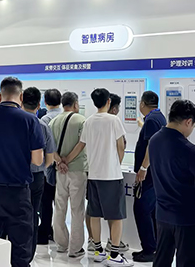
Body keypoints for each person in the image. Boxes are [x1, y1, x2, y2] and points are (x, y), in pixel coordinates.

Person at [0, 77, 45, 267]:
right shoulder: (30, 120)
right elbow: (38, 160)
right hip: (17, 193)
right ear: (21, 96)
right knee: (20, 249)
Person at [64, 88, 132, 266]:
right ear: (108, 101)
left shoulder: (89, 121)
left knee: (94, 213)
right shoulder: (114, 120)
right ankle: (115, 255)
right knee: (115, 216)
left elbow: (80, 145)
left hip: (93, 174)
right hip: (111, 175)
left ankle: (98, 251)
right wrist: (116, 163)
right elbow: (121, 146)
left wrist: (65, 160)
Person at [150, 100, 195, 267]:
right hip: (187, 219)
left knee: (161, 261)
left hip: (162, 216)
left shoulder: (154, 140)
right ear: (188, 121)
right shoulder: (188, 148)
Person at [51, 92, 88, 258]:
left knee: (59, 207)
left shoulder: (53, 122)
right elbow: (81, 144)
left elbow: (49, 147)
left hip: (60, 171)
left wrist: (60, 162)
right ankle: (75, 248)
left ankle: (61, 244)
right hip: (77, 169)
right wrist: (68, 160)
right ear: (75, 104)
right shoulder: (81, 120)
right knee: (77, 209)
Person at [22, 87, 58, 260]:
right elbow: (49, 157)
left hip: (15, 175)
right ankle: (29, 251)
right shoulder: (42, 125)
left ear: (21, 101)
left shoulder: (14, 123)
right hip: (36, 177)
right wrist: (43, 168)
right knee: (34, 212)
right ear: (38, 105)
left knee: (16, 212)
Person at [132, 90, 165, 262]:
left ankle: (149, 249)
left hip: (149, 175)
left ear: (143, 104)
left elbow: (151, 145)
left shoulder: (151, 120)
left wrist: (143, 168)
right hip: (156, 173)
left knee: (142, 209)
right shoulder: (158, 117)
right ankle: (155, 246)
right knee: (151, 211)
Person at [38, 88, 63, 245]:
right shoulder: (66, 116)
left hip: (48, 167)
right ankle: (59, 234)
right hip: (66, 166)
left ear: (45, 102)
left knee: (46, 203)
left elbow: (43, 145)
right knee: (60, 203)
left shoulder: (45, 120)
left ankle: (46, 231)